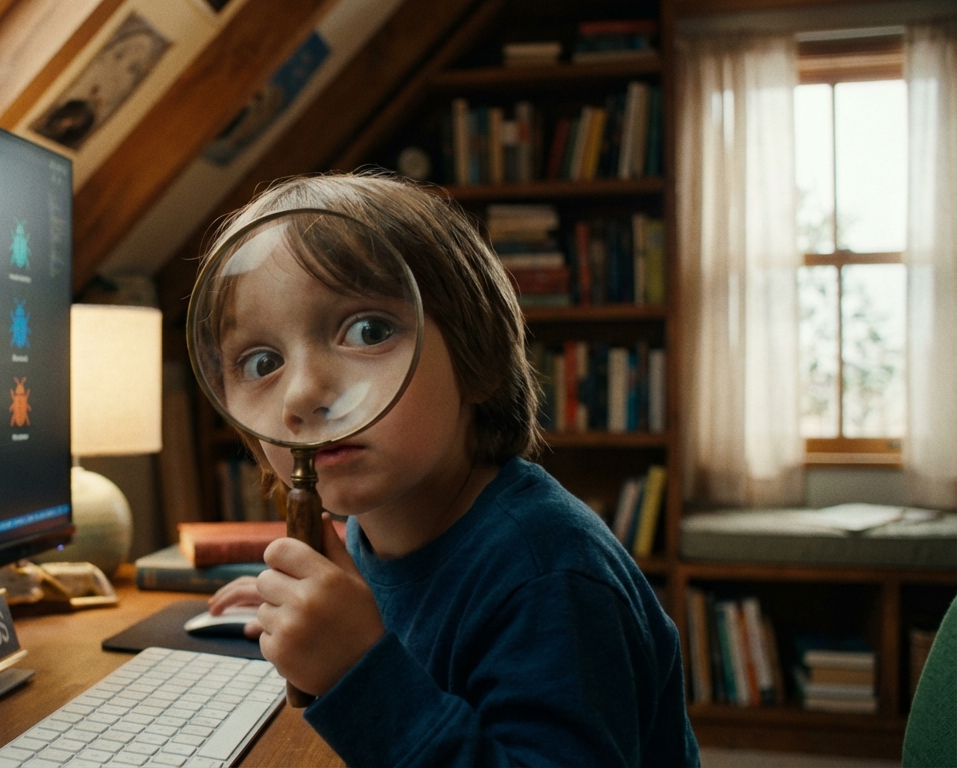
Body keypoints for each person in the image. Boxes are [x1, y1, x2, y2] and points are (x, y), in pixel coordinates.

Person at [203, 171, 699, 767]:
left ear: (477, 358)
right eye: (261, 362)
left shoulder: (548, 574)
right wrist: (302, 606)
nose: (303, 394)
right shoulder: (375, 528)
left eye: (368, 330)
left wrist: (359, 672)